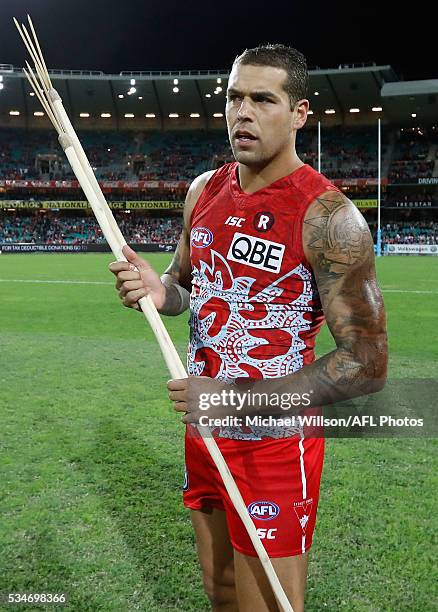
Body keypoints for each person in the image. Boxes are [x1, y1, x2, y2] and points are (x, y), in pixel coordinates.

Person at [109, 44, 387, 612]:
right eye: (235, 97)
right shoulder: (203, 190)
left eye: (263, 99)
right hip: (204, 433)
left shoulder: (328, 217)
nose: (243, 112)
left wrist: (235, 401)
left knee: (267, 605)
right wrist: (159, 291)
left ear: (300, 113)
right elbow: (185, 285)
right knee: (222, 592)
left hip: (275, 447)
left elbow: (367, 362)